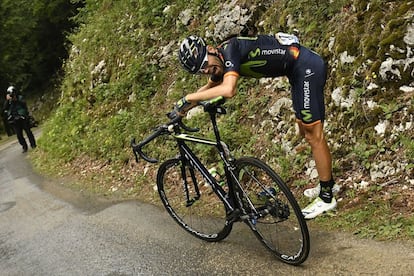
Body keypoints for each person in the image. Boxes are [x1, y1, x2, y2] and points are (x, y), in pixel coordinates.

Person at [172, 34, 336, 219]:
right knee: (306, 131)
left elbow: (228, 89)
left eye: (204, 65)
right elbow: (210, 87)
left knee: (314, 136)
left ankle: (327, 198)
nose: (207, 71)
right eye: (201, 72)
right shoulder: (221, 60)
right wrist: (181, 107)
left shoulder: (230, 50)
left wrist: (189, 98)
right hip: (296, 72)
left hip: (307, 67)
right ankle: (327, 183)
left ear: (210, 49)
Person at [2, 86, 36, 153]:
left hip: (22, 118)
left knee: (28, 132)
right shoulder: (8, 101)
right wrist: (7, 100)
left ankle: (33, 145)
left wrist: (16, 99)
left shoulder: (20, 98)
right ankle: (24, 147)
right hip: (14, 119)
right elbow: (4, 109)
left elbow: (24, 104)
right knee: (19, 135)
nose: (11, 94)